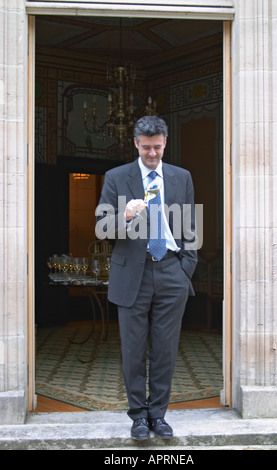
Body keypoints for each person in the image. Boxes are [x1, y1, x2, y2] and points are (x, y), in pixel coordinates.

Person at [95, 115, 198, 440]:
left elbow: (190, 228)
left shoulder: (181, 177)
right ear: (136, 144)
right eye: (146, 148)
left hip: (171, 271)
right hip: (132, 276)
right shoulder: (116, 177)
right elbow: (101, 228)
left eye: (157, 147)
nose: (152, 153)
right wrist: (122, 216)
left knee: (166, 349)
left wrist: (185, 269)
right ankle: (138, 417)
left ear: (165, 143)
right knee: (134, 350)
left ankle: (159, 416)